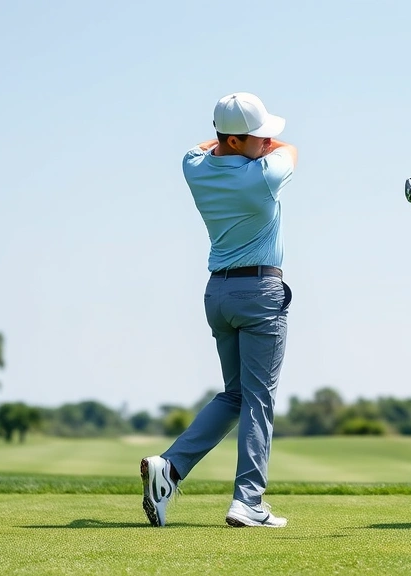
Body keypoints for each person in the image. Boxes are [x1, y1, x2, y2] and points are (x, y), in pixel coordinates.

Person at [140, 92, 298, 528]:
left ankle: (170, 468)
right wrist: (258, 147)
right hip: (260, 293)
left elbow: (202, 148)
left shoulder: (194, 168)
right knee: (258, 399)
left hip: (219, 294)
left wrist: (234, 141)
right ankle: (248, 501)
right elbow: (291, 149)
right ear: (233, 140)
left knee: (235, 396)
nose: (267, 141)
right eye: (258, 135)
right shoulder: (264, 176)